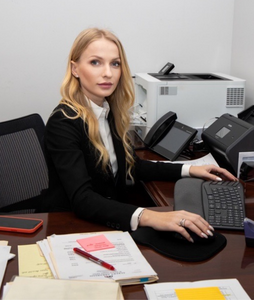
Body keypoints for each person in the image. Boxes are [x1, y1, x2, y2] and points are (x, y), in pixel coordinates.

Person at [41, 28, 237, 243]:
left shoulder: (108, 109)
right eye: (95, 62)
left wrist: (189, 169)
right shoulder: (64, 122)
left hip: (108, 216)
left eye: (115, 64)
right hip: (73, 227)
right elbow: (83, 199)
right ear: (75, 69)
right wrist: (150, 216)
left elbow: (131, 165)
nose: (108, 73)